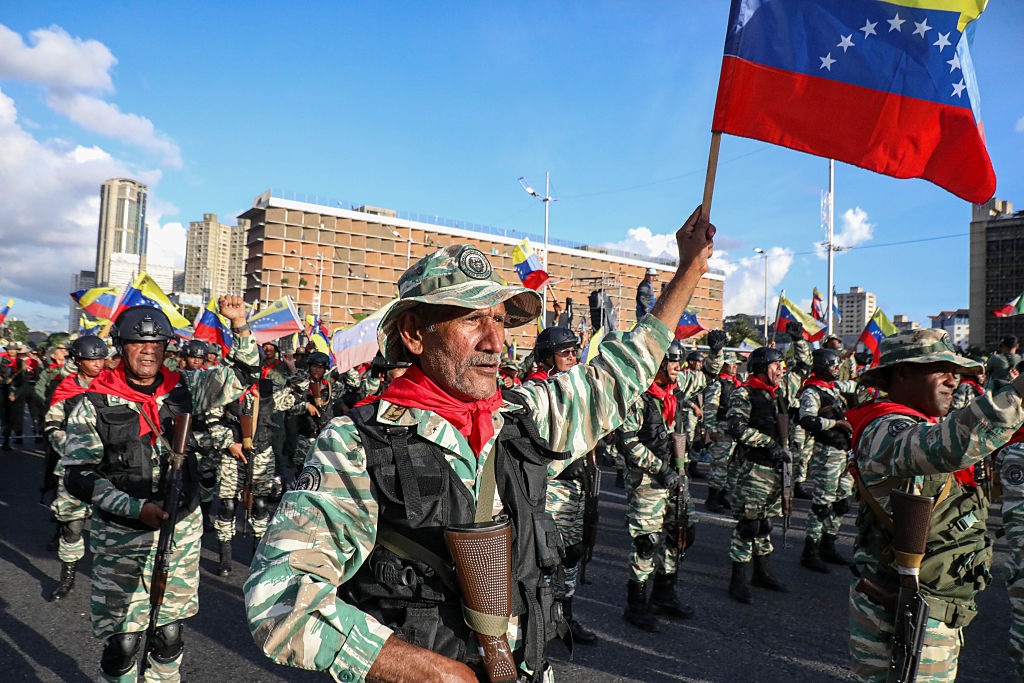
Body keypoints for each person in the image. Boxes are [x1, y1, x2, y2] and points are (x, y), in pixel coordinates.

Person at [245, 206, 715, 682]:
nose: (495, 342)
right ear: (414, 334)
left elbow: (618, 373)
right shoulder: (356, 444)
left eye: (500, 321)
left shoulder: (521, 419)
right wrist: (428, 671)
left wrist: (688, 273)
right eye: (472, 319)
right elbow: (279, 598)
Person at [63, 300, 257, 682]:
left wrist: (240, 324)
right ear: (122, 347)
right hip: (121, 537)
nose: (148, 351)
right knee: (124, 643)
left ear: (167, 348)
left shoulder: (186, 388)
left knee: (169, 635)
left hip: (180, 531)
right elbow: (78, 476)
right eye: (138, 343)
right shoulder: (93, 403)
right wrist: (135, 509)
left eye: (156, 344)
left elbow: (243, 374)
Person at [845, 329, 1024, 682]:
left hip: (935, 603)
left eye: (955, 372)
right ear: (902, 373)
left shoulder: (920, 422)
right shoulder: (883, 427)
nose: (952, 380)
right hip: (903, 609)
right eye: (940, 369)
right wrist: (1017, 394)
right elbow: (948, 446)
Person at [526, 326, 597, 644]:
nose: (572, 357)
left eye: (574, 351)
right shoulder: (537, 392)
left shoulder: (575, 390)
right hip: (551, 487)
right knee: (546, 557)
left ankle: (565, 618)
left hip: (578, 486)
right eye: (564, 352)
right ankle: (540, 621)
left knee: (572, 554)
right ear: (547, 357)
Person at [618, 339, 695, 632]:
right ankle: (636, 605)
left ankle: (664, 593)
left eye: (679, 361)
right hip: (647, 481)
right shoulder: (639, 397)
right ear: (658, 364)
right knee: (646, 542)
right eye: (673, 361)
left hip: (676, 478)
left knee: (680, 534)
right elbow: (628, 442)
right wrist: (660, 469)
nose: (678, 367)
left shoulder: (673, 393)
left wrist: (678, 471)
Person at [43, 334, 108, 601]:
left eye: (101, 359)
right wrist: (72, 448)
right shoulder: (66, 389)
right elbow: (52, 426)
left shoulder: (111, 386)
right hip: (74, 466)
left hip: (109, 469)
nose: (98, 364)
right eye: (92, 360)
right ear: (78, 361)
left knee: (111, 529)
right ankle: (67, 578)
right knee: (73, 526)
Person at [725, 345, 790, 604]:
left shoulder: (778, 394)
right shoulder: (744, 393)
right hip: (753, 468)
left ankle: (762, 573)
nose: (780, 370)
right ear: (762, 368)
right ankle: (737, 580)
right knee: (748, 525)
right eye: (776, 365)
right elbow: (736, 428)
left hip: (775, 469)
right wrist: (768, 442)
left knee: (765, 524)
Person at [796, 348, 857, 573]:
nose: (837, 369)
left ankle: (828, 544)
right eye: (833, 365)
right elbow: (807, 420)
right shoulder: (812, 392)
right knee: (822, 504)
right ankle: (810, 551)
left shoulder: (834, 388)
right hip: (827, 453)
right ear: (822, 367)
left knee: (842, 502)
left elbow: (857, 386)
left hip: (844, 453)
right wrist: (836, 424)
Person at [703, 351, 741, 512]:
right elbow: (710, 407)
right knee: (720, 464)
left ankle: (724, 495)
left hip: (735, 431)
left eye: (735, 364)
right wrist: (711, 428)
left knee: (734, 466)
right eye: (731, 364)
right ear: (723, 365)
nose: (734, 367)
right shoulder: (719, 384)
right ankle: (712, 498)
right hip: (722, 428)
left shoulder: (737, 384)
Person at [1, 341, 35, 449]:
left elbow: (25, 381)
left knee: (17, 416)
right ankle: (6, 439)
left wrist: (16, 394)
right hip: (3, 391)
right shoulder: (2, 361)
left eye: (14, 349)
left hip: (17, 391)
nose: (11, 351)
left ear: (17, 351)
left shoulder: (21, 363)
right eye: (9, 349)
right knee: (5, 416)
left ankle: (16, 436)